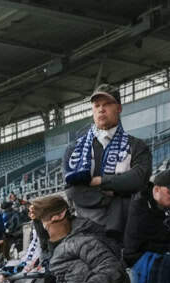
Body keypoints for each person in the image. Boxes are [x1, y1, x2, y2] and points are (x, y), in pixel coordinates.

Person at [62, 83, 153, 242]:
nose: (101, 109)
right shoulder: (75, 150)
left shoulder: (137, 146)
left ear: (119, 108)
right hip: (88, 232)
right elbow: (72, 190)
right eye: (96, 105)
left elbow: (138, 180)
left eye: (107, 104)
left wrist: (101, 181)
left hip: (128, 231)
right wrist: (114, 194)